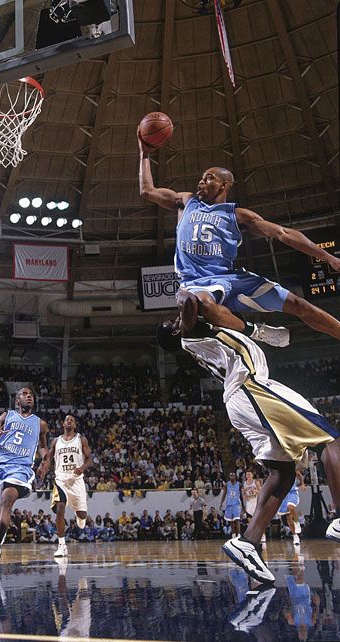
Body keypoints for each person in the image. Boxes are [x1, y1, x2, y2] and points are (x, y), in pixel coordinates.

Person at [156, 289, 340, 584]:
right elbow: (190, 301)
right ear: (177, 330)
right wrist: (181, 292)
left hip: (240, 400)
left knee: (282, 473)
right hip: (251, 387)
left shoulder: (203, 333)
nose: (176, 318)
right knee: (331, 441)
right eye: (172, 321)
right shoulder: (188, 332)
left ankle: (248, 542)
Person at [139, 135, 340, 344]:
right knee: (204, 306)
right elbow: (147, 191)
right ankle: (257, 332)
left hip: (232, 278)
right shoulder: (186, 202)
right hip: (197, 281)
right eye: (201, 177)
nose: (201, 180)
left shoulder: (238, 215)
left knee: (300, 305)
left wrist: (328, 258)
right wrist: (144, 153)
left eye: (209, 178)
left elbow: (283, 233)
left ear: (223, 185)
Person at [0, 387, 49, 570]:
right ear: (17, 401)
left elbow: (43, 447)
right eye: (24, 394)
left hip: (20, 468)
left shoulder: (41, 424)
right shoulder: (6, 416)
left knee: (6, 498)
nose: (29, 396)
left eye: (31, 394)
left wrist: (45, 462)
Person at [49, 414, 92, 558]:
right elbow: (49, 458)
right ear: (63, 423)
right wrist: (43, 468)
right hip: (61, 479)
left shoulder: (81, 439)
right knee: (60, 509)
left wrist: (82, 468)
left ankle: (80, 517)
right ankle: (62, 545)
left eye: (72, 420)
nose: (69, 421)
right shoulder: (56, 441)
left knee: (82, 514)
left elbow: (90, 459)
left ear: (74, 425)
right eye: (66, 419)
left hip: (76, 480)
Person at [277, 471, 304, 546]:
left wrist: (302, 484)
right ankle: (295, 536)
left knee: (290, 507)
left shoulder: (291, 468)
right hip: (284, 495)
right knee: (288, 518)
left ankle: (296, 522)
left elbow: (299, 474)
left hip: (292, 492)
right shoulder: (278, 472)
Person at [220, 472, 243, 537]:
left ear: (235, 476)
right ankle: (233, 534)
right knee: (231, 520)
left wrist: (243, 506)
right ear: (229, 476)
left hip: (236, 504)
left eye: (233, 475)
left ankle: (238, 534)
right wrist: (221, 503)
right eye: (230, 475)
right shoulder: (227, 484)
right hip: (229, 504)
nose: (232, 476)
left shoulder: (239, 484)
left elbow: (241, 495)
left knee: (237, 519)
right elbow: (224, 494)